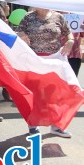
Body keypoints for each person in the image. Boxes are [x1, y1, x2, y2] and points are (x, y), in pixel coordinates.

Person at [16, 8, 74, 138]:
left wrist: (70, 41)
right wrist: (20, 34)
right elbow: (18, 31)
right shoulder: (28, 17)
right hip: (34, 63)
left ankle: (57, 126)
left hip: (54, 62)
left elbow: (68, 33)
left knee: (56, 95)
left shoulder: (58, 17)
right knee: (35, 95)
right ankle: (33, 125)